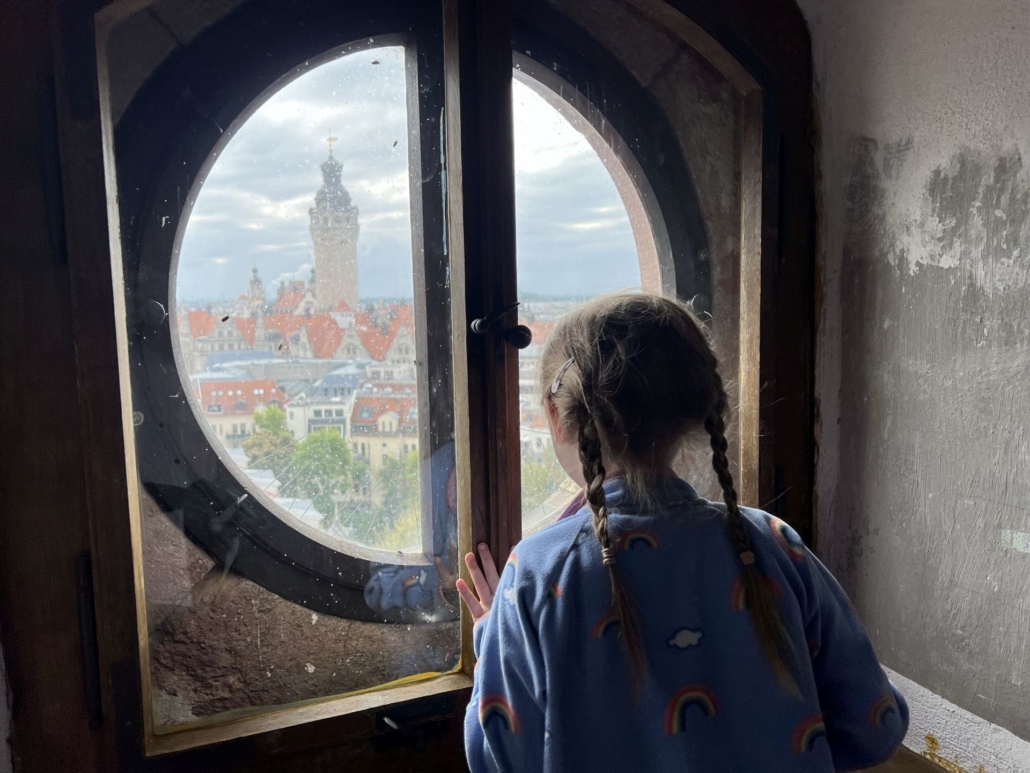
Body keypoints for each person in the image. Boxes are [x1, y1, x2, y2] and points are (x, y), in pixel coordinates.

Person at [457, 293, 908, 772]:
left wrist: (491, 640)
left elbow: (495, 760)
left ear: (558, 417)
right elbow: (874, 728)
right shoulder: (773, 544)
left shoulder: (536, 575)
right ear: (699, 409)